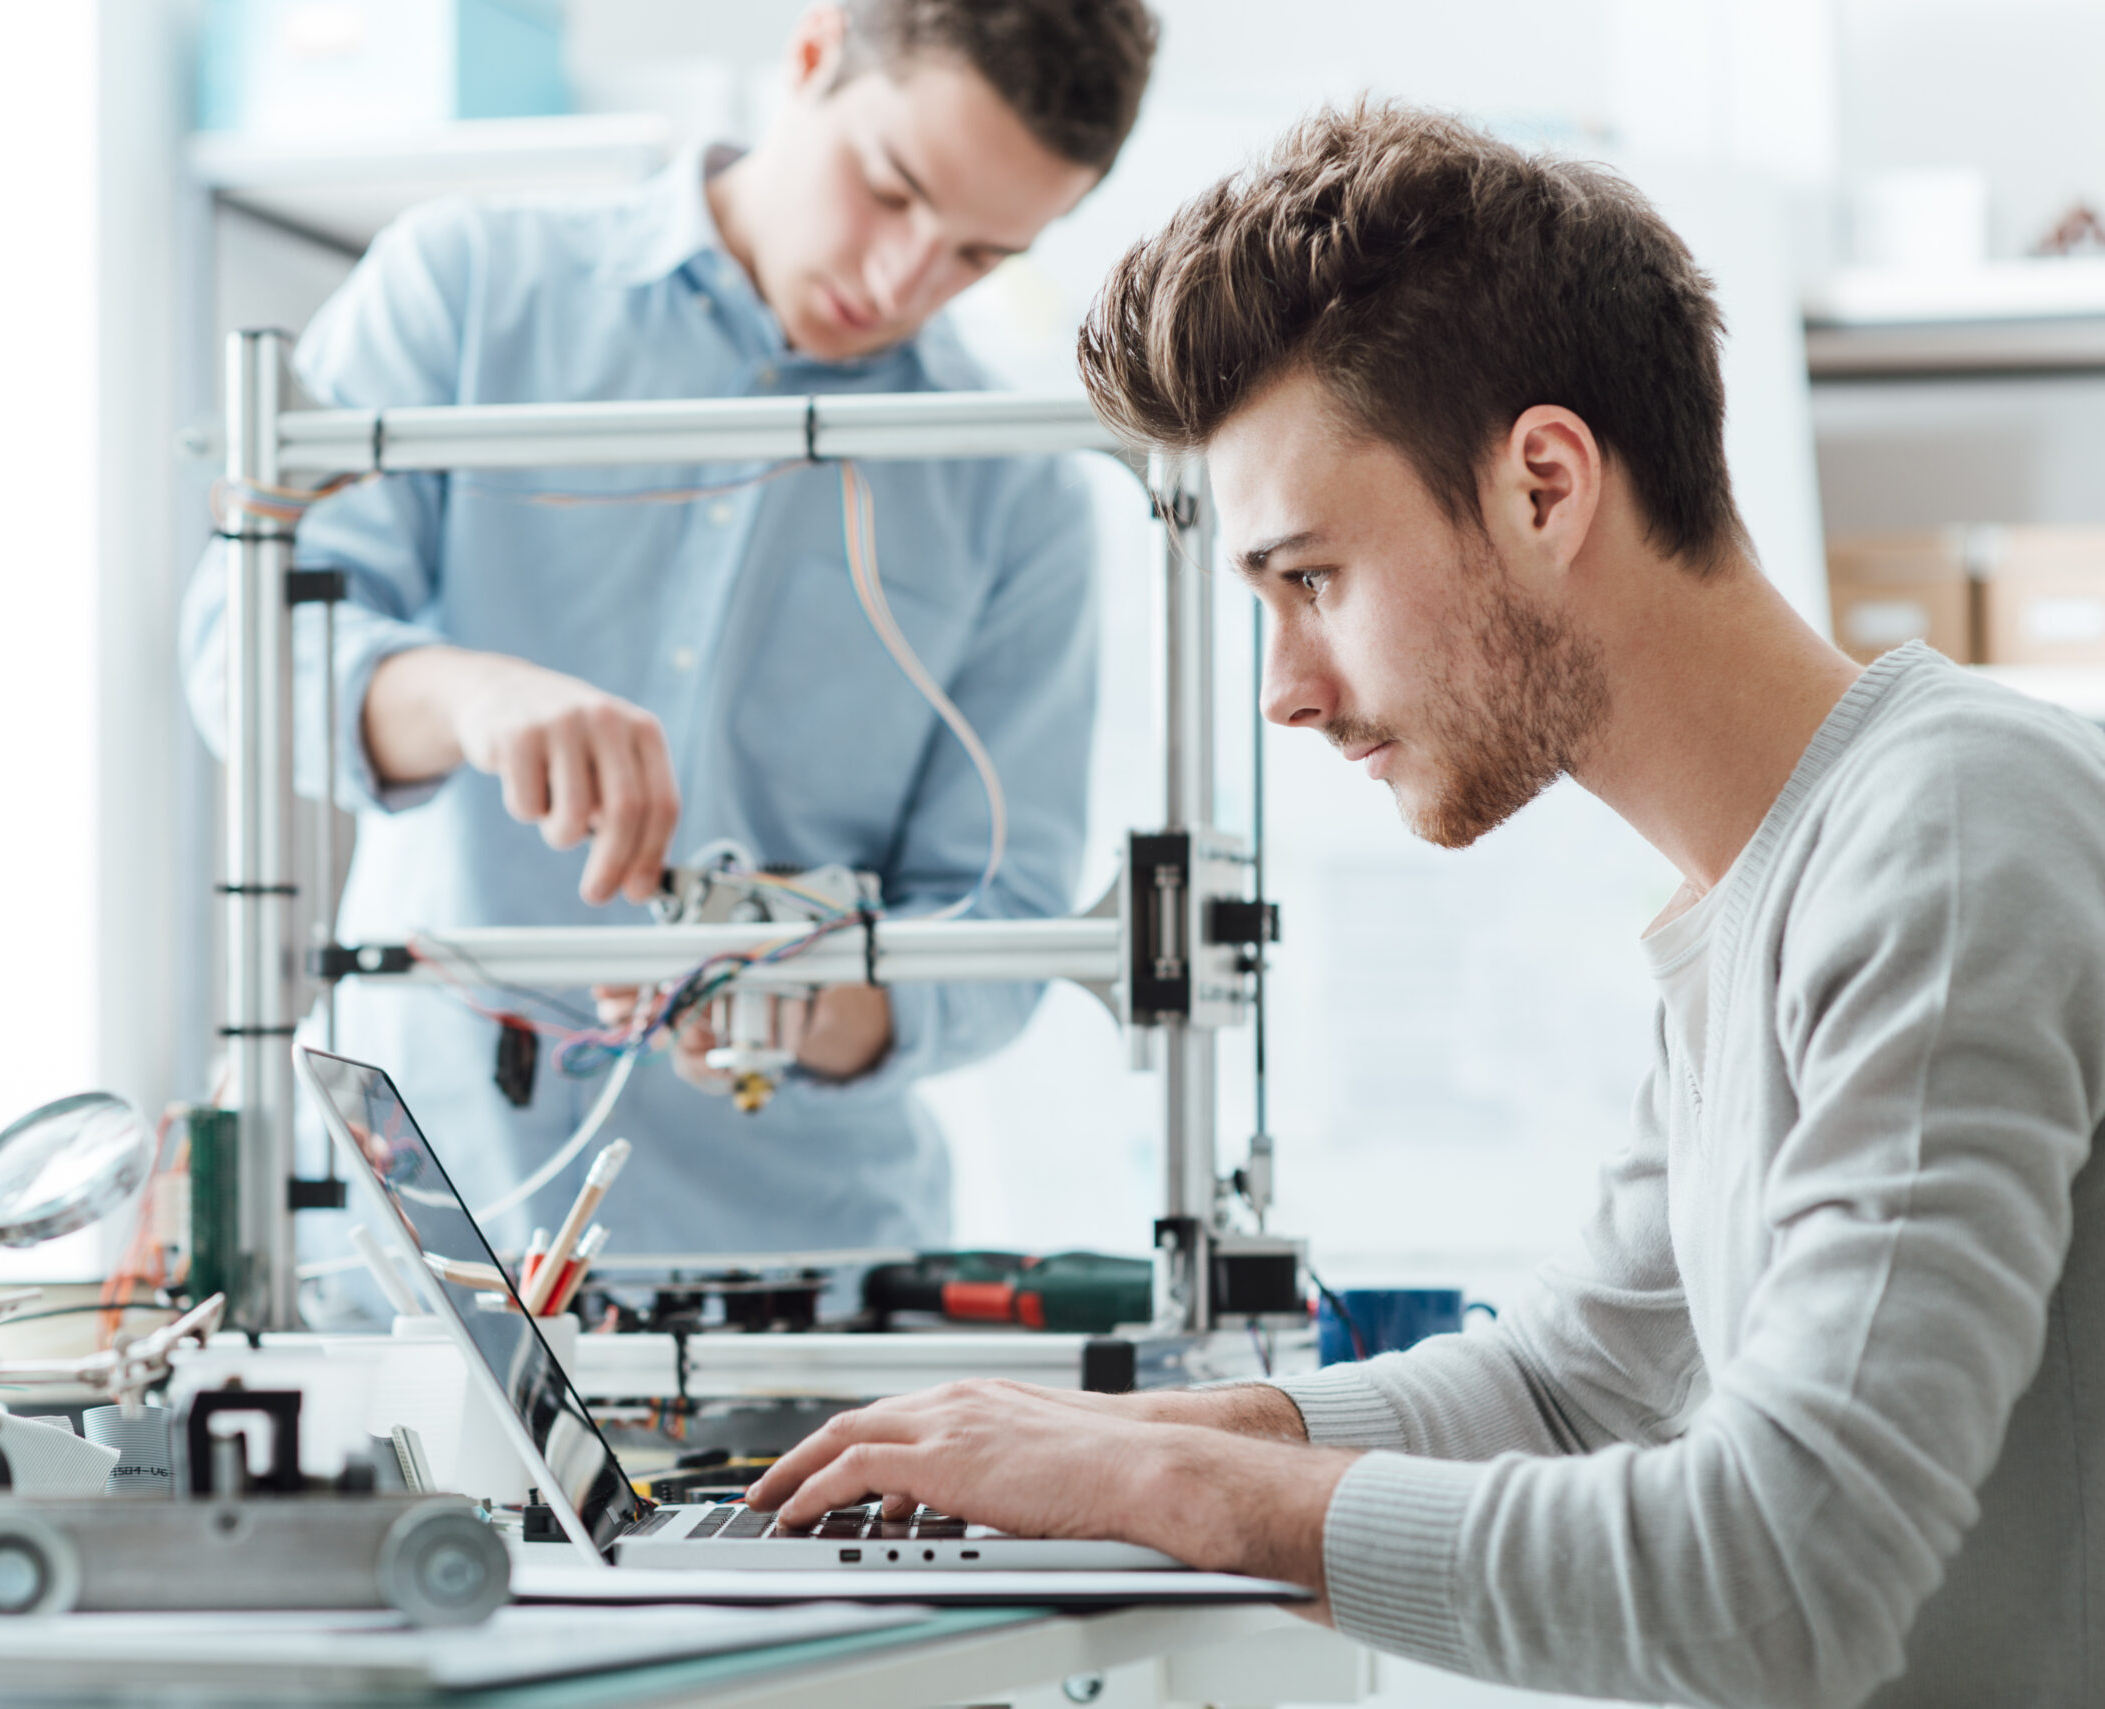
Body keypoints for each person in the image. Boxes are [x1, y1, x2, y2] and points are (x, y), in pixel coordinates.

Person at [749, 103, 2105, 1709]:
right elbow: (1577, 1380)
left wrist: (1179, 1497)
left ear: (1544, 485)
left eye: (1310, 579)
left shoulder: (1948, 829)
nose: (1287, 693)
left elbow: (1786, 1580)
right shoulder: (1761, 880)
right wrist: (1132, 1435)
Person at [179, 1, 1158, 1263]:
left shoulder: (1014, 485)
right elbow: (239, 654)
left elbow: (1003, 922)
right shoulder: (466, 288)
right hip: (410, 1239)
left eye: (977, 255)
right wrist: (465, 695)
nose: (901, 279)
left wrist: (810, 1005)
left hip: (798, 1291)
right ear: (811, 57)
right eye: (891, 189)